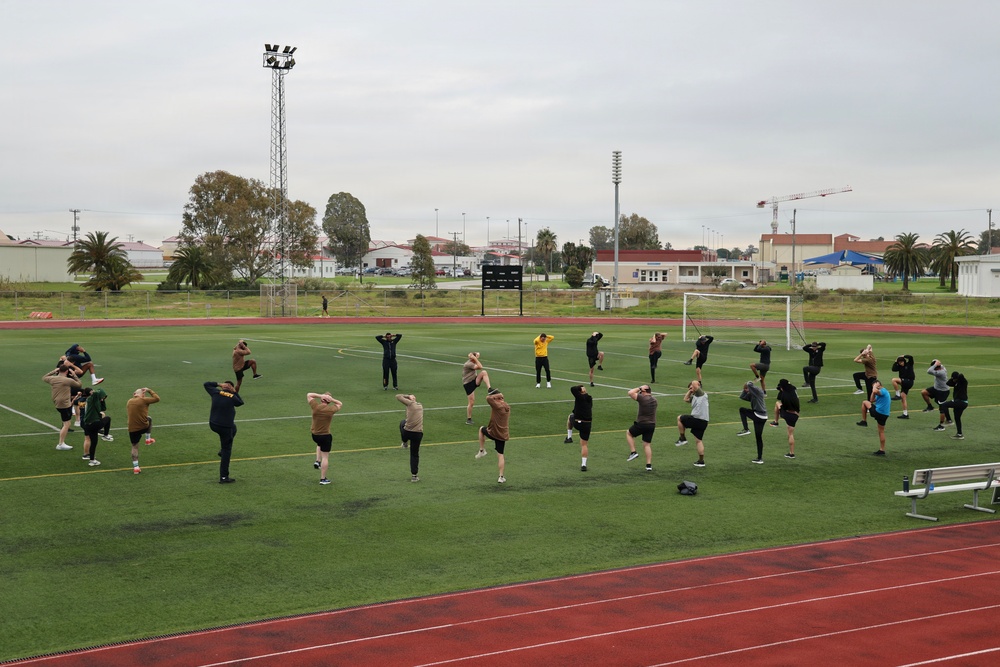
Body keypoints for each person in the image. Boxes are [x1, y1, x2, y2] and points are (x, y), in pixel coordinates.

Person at [205, 381, 244, 483]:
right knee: (227, 450)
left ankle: (222, 452)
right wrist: (234, 392)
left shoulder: (215, 392)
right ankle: (223, 477)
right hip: (225, 427)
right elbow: (240, 403)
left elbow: (206, 384)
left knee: (234, 428)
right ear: (230, 388)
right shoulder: (231, 396)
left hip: (213, 424)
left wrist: (218, 383)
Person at [43, 363, 81, 450]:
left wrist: (53, 371)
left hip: (58, 402)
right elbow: (79, 385)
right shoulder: (67, 380)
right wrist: (74, 375)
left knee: (67, 422)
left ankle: (61, 443)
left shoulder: (52, 379)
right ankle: (61, 444)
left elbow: (44, 377)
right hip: (64, 403)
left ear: (58, 370)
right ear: (67, 371)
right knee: (66, 424)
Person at [476, 388, 511, 484]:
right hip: (502, 435)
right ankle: (501, 477)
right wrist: (499, 395)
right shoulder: (507, 406)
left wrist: (495, 395)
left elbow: (488, 398)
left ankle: (482, 450)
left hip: (494, 432)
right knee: (500, 455)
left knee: (481, 429)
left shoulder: (497, 406)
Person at [307, 392, 342, 485]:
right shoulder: (330, 410)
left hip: (315, 435)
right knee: (325, 457)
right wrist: (332, 399)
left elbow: (309, 395)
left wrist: (320, 395)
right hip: (325, 436)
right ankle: (323, 479)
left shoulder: (315, 407)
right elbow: (339, 404)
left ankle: (317, 461)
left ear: (322, 400)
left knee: (319, 444)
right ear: (329, 401)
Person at [676, 380, 709, 468]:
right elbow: (685, 399)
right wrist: (690, 391)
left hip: (697, 419)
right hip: (704, 422)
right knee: (698, 441)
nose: (691, 389)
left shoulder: (701, 393)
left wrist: (694, 384)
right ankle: (701, 461)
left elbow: (695, 383)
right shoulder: (695, 396)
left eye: (692, 387)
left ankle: (682, 438)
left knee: (679, 418)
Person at [126, 387, 160, 474]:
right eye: (143, 394)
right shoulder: (143, 400)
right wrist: (149, 390)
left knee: (134, 446)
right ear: (138, 395)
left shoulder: (129, 401)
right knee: (149, 419)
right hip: (143, 427)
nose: (144, 395)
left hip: (132, 428)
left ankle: (136, 467)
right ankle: (148, 439)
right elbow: (157, 399)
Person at [625, 384, 658, 472]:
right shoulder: (655, 400)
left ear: (644, 391)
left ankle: (633, 452)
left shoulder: (642, 398)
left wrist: (639, 388)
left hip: (642, 424)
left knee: (629, 433)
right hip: (652, 425)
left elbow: (630, 392)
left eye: (641, 391)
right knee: (647, 444)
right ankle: (648, 465)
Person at [737, 380, 768, 464]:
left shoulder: (758, 392)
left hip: (759, 415)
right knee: (758, 437)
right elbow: (742, 397)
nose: (746, 391)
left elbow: (750, 384)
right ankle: (759, 458)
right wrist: (745, 390)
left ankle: (746, 429)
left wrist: (750, 382)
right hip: (761, 417)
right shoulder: (752, 395)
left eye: (746, 389)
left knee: (742, 410)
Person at [80, 387, 112, 467]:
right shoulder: (92, 399)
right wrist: (96, 389)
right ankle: (105, 435)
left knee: (93, 443)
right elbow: (97, 392)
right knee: (108, 418)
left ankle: (92, 460)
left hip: (88, 425)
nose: (102, 399)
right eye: (102, 397)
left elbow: (103, 408)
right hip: (94, 423)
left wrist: (103, 400)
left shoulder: (95, 402)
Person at [858, 379, 891, 456]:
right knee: (881, 431)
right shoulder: (880, 392)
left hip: (878, 412)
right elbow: (871, 400)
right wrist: (873, 390)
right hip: (885, 415)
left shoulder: (883, 390)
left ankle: (864, 420)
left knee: (864, 402)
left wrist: (875, 387)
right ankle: (882, 449)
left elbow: (872, 397)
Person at [564, 385, 593, 471]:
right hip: (587, 424)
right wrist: (583, 391)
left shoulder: (579, 397)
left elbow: (572, 388)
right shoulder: (589, 398)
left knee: (570, 417)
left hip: (578, 422)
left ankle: (569, 437)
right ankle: (583, 465)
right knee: (584, 445)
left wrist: (580, 388)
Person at [770, 378, 800, 459]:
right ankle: (791, 453)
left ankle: (776, 422)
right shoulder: (793, 391)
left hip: (787, 413)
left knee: (777, 403)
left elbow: (784, 405)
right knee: (790, 434)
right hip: (795, 415)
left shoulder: (784, 395)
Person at [396, 393, 424, 481]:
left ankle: (404, 442)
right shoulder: (420, 406)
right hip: (418, 433)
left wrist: (407, 396)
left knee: (402, 423)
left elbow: (398, 396)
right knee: (414, 454)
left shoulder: (410, 404)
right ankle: (414, 476)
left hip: (408, 432)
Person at [462, 352, 492, 425]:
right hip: (468, 384)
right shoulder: (468, 364)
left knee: (484, 372)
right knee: (471, 402)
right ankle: (469, 419)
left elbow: (477, 354)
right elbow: (480, 366)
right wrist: (475, 358)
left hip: (474, 380)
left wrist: (476, 356)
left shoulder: (473, 361)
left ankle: (489, 389)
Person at [937, 372, 968, 438]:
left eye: (954, 379)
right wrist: (952, 379)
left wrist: (957, 376)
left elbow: (961, 376)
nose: (953, 380)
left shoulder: (963, 382)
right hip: (960, 403)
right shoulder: (955, 383)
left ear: (957, 378)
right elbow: (948, 383)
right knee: (957, 418)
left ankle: (949, 420)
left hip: (961, 402)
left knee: (944, 405)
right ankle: (959, 434)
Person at [890, 354, 915, 419]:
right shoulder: (899, 367)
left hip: (909, 381)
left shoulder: (909, 364)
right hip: (904, 383)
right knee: (903, 398)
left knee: (894, 380)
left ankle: (897, 395)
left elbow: (911, 357)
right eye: (899, 363)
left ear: (904, 361)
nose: (901, 364)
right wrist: (895, 361)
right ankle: (905, 414)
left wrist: (904, 356)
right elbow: (893, 369)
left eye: (901, 362)